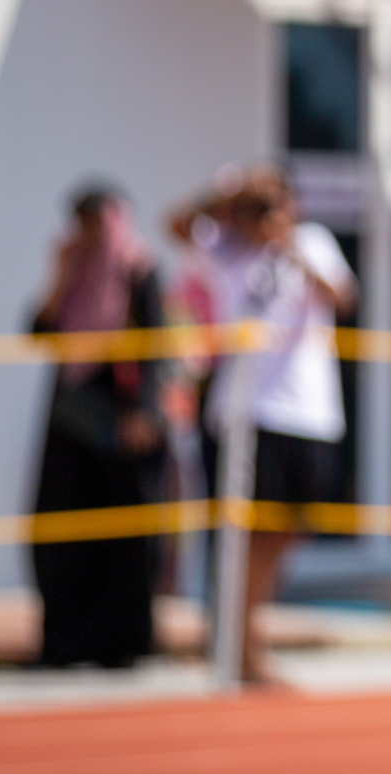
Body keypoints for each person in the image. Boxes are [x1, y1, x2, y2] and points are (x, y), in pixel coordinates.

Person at [167, 165, 356, 685]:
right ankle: (240, 647)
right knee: (243, 536)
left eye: (274, 203)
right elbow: (176, 224)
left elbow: (342, 296)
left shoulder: (311, 242)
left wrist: (286, 241)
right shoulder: (224, 246)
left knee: (288, 530)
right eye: (259, 206)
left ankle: (239, 633)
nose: (265, 215)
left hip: (309, 412)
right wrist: (225, 192)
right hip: (245, 412)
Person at [29, 182, 167, 668]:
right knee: (62, 532)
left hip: (122, 418)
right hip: (71, 419)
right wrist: (61, 275)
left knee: (125, 536)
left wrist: (147, 413)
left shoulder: (139, 269)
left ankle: (122, 645)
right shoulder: (74, 271)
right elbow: (39, 332)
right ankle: (65, 643)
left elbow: (158, 348)